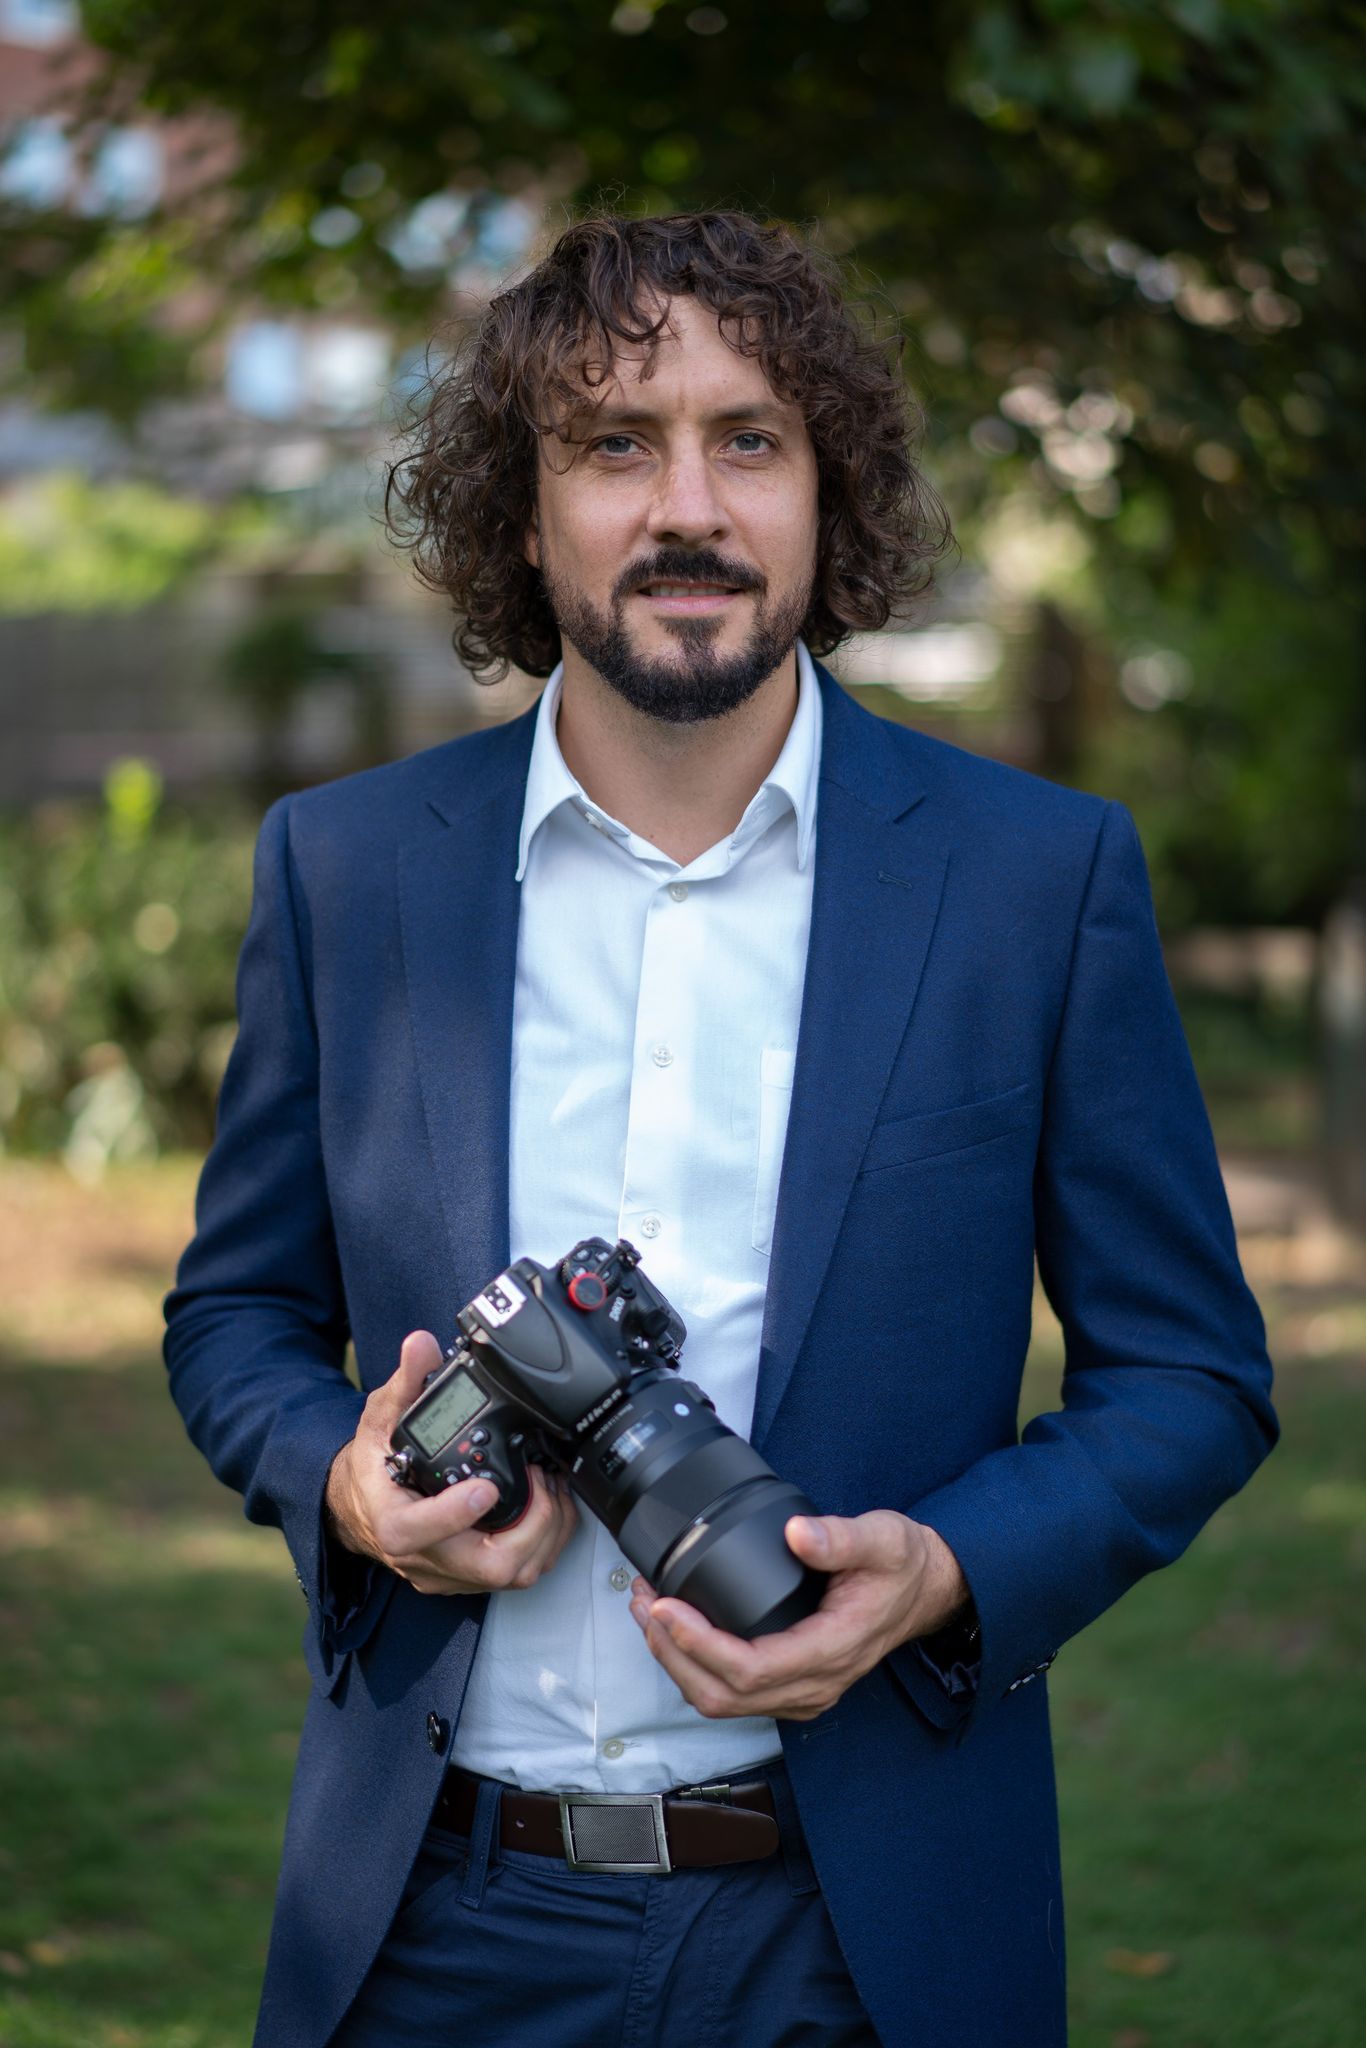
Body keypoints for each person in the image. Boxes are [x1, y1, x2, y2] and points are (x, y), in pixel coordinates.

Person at [164, 210, 1277, 2048]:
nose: (688, 504)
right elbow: (236, 1320)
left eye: (748, 438)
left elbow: (1189, 1378)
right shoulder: (349, 870)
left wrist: (945, 1573)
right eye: (614, 443)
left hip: (864, 1935)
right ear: (522, 517)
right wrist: (348, 1490)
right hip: (436, 1923)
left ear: (827, 496)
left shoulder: (1030, 879)